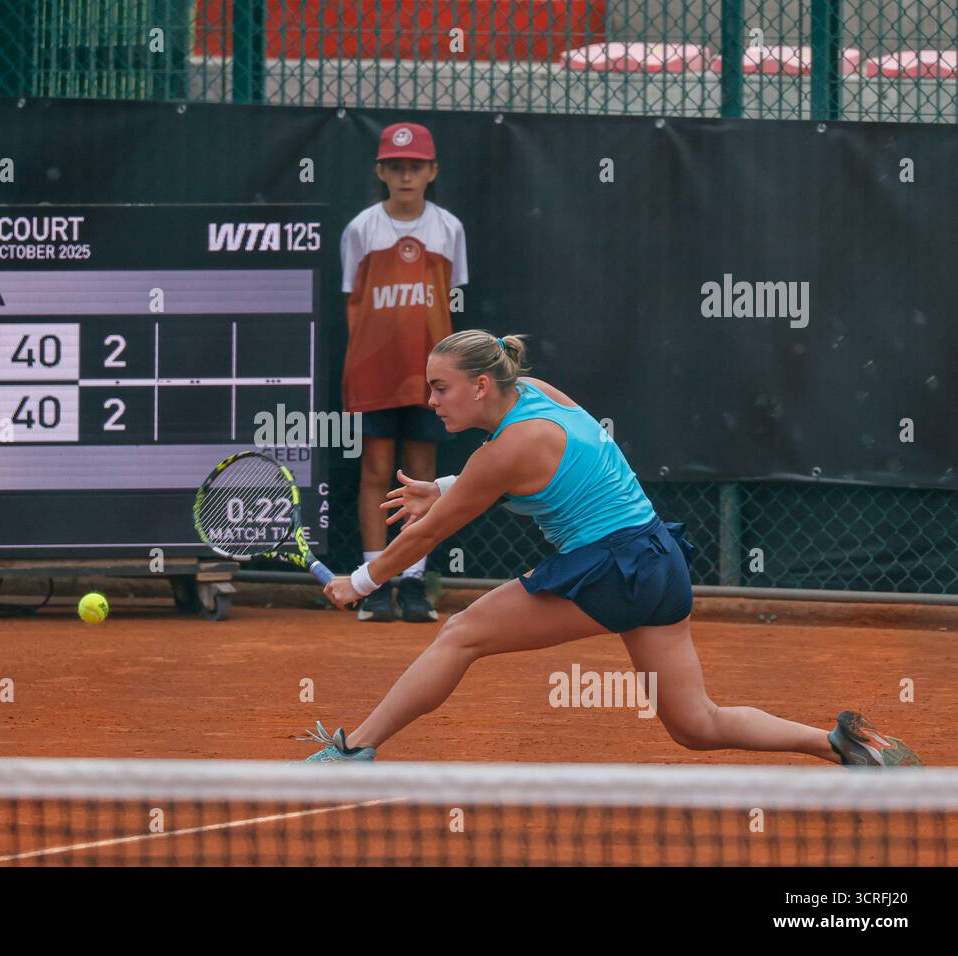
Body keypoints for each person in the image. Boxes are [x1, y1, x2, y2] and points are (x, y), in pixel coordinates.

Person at [300, 329, 922, 769]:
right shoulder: (538, 393)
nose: (431, 402)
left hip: (611, 569)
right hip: (658, 558)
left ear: (481, 385)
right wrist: (439, 486)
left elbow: (432, 534)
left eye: (440, 389)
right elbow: (565, 465)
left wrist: (358, 583)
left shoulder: (506, 450)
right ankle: (840, 744)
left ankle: (354, 750)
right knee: (695, 725)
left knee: (461, 633)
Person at [341, 121, 467, 623]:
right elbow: (352, 299)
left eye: (415, 166)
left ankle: (413, 583)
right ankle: (374, 585)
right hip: (372, 371)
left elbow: (452, 297)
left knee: (421, 477)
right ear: (381, 172)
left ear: (432, 172)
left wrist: (442, 375)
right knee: (375, 472)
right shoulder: (362, 228)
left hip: (430, 375)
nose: (406, 176)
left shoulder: (449, 229)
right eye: (395, 167)